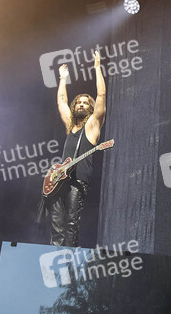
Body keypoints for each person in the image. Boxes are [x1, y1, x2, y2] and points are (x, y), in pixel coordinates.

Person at [50, 51, 106, 246]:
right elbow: (61, 101)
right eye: (79, 103)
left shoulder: (92, 126)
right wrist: (63, 79)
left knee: (71, 221)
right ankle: (54, 254)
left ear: (90, 108)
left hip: (78, 180)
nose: (81, 105)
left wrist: (97, 67)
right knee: (57, 221)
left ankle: (70, 256)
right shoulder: (70, 125)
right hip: (60, 179)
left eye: (85, 103)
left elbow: (101, 95)